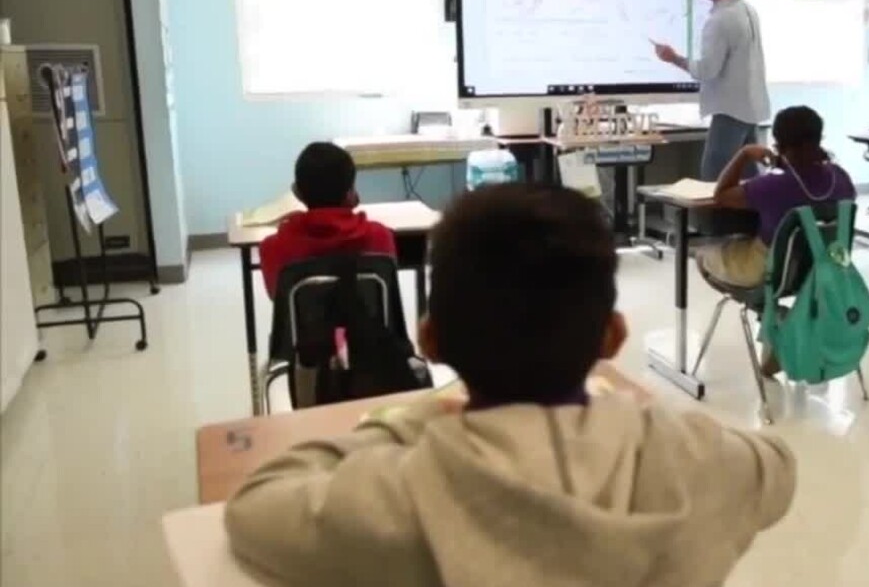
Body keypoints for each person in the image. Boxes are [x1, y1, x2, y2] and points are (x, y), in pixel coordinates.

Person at [225, 183, 797, 587]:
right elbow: (777, 466)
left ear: (431, 339)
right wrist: (650, 422)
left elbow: (257, 505)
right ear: (612, 336)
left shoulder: (395, 499)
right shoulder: (697, 462)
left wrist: (413, 422)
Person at [697, 105, 856, 291]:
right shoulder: (841, 177)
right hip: (823, 268)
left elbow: (722, 195)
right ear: (819, 139)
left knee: (704, 255)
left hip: (770, 271)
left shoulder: (772, 186)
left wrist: (744, 154)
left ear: (779, 146)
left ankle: (759, 302)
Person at [652, 0, 770, 180]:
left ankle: (720, 217)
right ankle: (748, 217)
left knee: (713, 180)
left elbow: (706, 71)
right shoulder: (747, 10)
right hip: (750, 108)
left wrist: (674, 58)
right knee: (747, 178)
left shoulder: (720, 20)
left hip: (729, 110)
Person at [258, 142, 396, 298]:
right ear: (351, 194)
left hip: (304, 323)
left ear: (297, 193)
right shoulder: (380, 237)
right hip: (370, 323)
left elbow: (277, 298)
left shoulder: (273, 248)